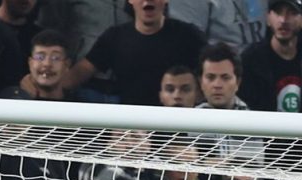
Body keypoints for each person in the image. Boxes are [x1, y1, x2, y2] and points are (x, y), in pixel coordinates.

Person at [65, 0, 206, 106]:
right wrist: (55, 88)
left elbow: (212, 67)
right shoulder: (115, 37)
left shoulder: (188, 35)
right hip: (131, 125)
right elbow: (82, 70)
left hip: (176, 122)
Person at [241, 0, 302, 113]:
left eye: (292, 13)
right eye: (278, 12)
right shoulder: (250, 61)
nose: (283, 20)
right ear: (268, 18)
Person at [196, 43, 248, 111]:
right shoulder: (189, 117)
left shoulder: (251, 117)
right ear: (201, 82)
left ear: (237, 82)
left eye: (225, 78)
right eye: (210, 77)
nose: (217, 85)